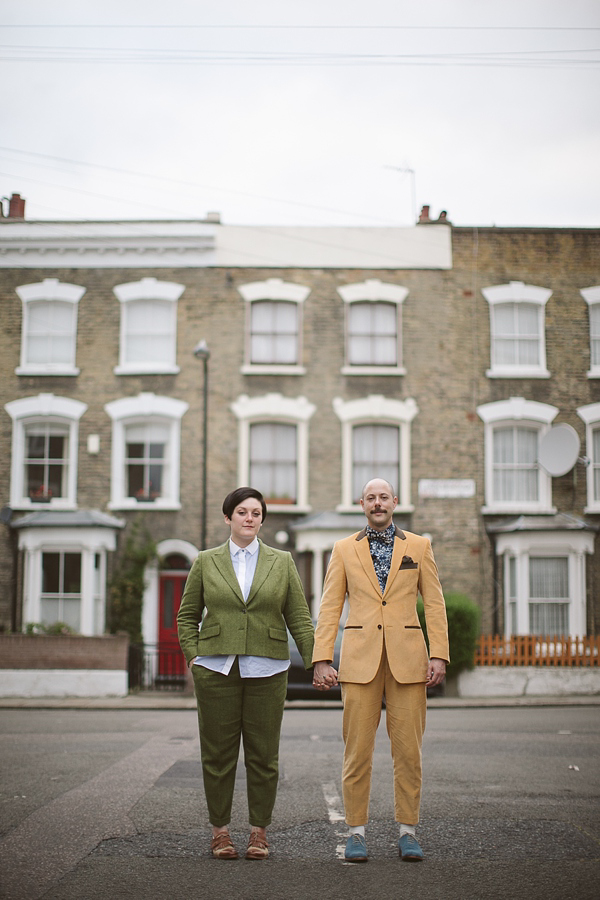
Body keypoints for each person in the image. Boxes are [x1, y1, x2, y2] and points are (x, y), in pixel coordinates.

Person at [312, 478, 449, 863]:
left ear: (395, 502)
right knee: (357, 752)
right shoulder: (342, 550)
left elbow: (435, 605)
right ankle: (356, 832)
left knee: (409, 752)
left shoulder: (419, 546)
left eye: (383, 497)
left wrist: (438, 654)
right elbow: (329, 607)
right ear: (361, 503)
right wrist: (323, 657)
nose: (377, 503)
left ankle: (408, 831)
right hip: (359, 662)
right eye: (370, 498)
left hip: (409, 662)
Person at [177, 487, 314, 861]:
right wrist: (194, 657)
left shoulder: (282, 561)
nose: (249, 518)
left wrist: (317, 662)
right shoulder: (205, 561)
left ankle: (259, 831)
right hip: (216, 668)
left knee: (263, 754)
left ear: (262, 520)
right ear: (228, 518)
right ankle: (220, 831)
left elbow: (299, 617)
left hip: (268, 668)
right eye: (241, 511)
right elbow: (187, 616)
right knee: (218, 755)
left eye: (256, 512)